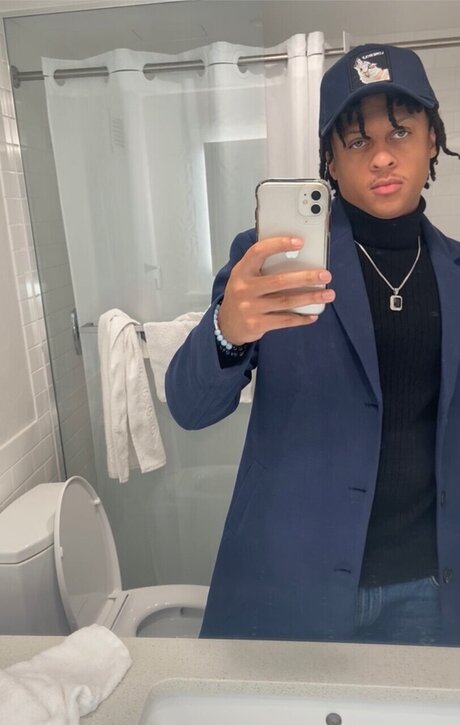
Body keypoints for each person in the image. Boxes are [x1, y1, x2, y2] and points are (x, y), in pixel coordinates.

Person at [165, 43, 460, 646]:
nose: (382, 156)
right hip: (291, 577)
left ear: (432, 139)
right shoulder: (270, 261)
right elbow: (190, 408)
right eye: (357, 141)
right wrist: (226, 331)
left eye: (400, 132)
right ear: (330, 159)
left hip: (427, 585)